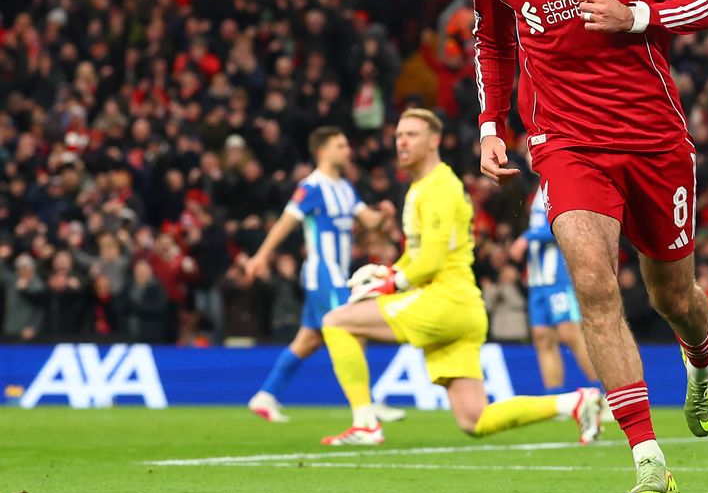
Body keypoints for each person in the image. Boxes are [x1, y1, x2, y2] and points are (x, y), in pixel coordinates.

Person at [474, 0, 708, 493]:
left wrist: (636, 15)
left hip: (652, 136)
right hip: (565, 142)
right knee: (592, 279)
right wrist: (493, 121)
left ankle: (700, 356)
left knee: (673, 295)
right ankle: (647, 456)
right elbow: (492, 41)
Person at [319, 109, 602, 445]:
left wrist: (391, 283)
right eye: (398, 136)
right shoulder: (423, 187)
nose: (402, 142)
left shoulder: (438, 186)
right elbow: (418, 254)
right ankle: (574, 402)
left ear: (434, 140)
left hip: (443, 301)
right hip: (461, 307)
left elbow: (432, 259)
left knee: (337, 322)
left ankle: (366, 423)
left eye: (412, 134)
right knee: (475, 419)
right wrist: (390, 270)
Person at [244, 127, 401, 424]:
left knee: (308, 340)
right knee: (354, 326)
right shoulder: (312, 186)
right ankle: (366, 404)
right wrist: (261, 256)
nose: (347, 151)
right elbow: (284, 224)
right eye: (341, 145)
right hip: (323, 272)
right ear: (323, 152)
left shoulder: (344, 187)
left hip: (338, 274)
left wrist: (385, 215)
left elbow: (370, 222)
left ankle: (265, 396)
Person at [509, 184, 600, 393]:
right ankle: (556, 398)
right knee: (542, 336)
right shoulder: (538, 191)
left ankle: (607, 397)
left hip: (558, 277)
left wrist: (526, 238)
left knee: (570, 333)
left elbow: (565, 223)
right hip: (537, 280)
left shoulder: (558, 183)